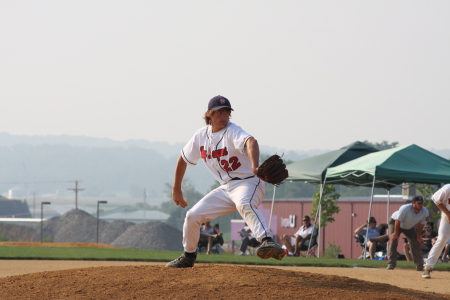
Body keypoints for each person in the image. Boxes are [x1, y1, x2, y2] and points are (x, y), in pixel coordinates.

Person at [166, 95, 285, 268]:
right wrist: (176, 188)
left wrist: (254, 167)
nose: (224, 115)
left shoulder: (232, 131)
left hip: (249, 182)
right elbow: (183, 158)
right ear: (209, 114)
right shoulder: (201, 136)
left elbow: (251, 141)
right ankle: (188, 256)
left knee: (244, 203)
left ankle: (267, 240)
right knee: (192, 216)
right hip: (226, 188)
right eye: (219, 112)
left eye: (227, 112)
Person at [387, 196, 429, 271]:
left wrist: (418, 236)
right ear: (413, 203)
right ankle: (391, 265)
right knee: (394, 241)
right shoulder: (405, 208)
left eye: (422, 203)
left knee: (416, 242)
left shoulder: (425, 212)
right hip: (395, 222)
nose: (421, 205)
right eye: (418, 203)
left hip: (408, 226)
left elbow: (421, 225)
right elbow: (398, 221)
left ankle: (420, 266)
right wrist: (396, 233)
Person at [423, 184, 450, 278]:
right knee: (442, 239)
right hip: (447, 215)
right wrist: (448, 214)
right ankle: (428, 267)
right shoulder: (447, 188)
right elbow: (436, 200)